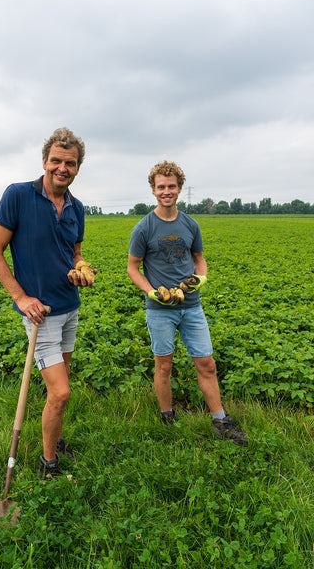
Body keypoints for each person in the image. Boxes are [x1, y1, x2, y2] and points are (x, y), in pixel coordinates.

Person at [0, 127, 96, 479]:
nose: (63, 168)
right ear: (45, 161)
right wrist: (21, 297)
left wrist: (81, 269)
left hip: (70, 309)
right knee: (61, 392)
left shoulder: (77, 208)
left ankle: (57, 438)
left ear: (78, 167)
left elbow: (75, 253)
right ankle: (48, 462)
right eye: (56, 161)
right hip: (41, 314)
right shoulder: (18, 196)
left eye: (71, 163)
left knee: (62, 382)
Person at [127, 160, 248, 446]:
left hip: (191, 306)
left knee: (206, 364)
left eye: (171, 186)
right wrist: (152, 292)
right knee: (164, 367)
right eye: (161, 187)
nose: (166, 191)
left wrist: (201, 279)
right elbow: (133, 267)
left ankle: (220, 420)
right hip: (160, 310)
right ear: (153, 190)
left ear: (179, 188)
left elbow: (198, 259)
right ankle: (167, 416)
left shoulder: (190, 224)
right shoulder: (143, 228)